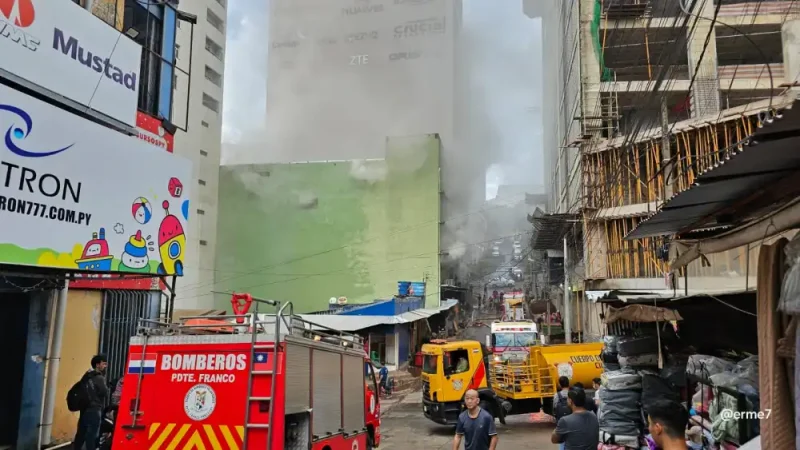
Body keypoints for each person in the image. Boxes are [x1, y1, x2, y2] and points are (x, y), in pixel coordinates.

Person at [74, 354, 109, 450]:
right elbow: (104, 392)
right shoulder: (99, 377)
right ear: (97, 365)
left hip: (84, 408)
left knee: (81, 433)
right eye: (104, 364)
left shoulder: (86, 376)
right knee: (92, 436)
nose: (105, 366)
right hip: (94, 409)